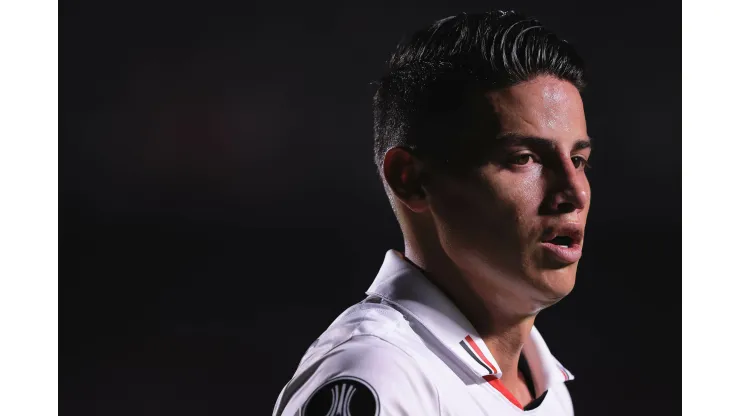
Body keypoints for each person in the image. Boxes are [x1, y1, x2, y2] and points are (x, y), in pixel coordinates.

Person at [273, 10, 590, 415]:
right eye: (524, 158)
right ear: (412, 180)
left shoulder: (547, 385)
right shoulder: (380, 374)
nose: (573, 191)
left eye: (579, 160)